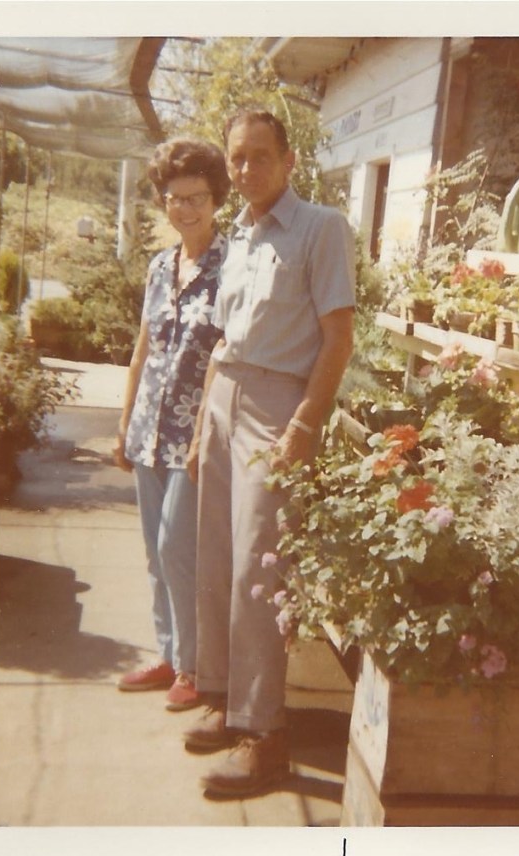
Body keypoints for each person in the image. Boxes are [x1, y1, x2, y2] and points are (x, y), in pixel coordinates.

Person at [184, 109, 355, 797]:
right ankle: (226, 701)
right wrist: (202, 424)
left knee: (260, 570)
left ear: (289, 161)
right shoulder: (241, 237)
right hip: (224, 401)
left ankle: (267, 738)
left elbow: (337, 337)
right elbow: (222, 344)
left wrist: (305, 427)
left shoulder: (321, 229)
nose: (246, 169)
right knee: (217, 560)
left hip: (276, 410)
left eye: (259, 156)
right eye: (236, 158)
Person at [113, 137, 231, 712]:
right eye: (175, 197)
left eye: (197, 197)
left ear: (216, 199)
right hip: (147, 430)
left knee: (177, 548)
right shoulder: (160, 266)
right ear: (164, 201)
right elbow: (142, 351)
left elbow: (229, 357)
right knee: (153, 550)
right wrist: (122, 423)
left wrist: (206, 437)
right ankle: (166, 655)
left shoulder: (232, 266)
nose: (185, 208)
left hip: (195, 437)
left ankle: (192, 665)